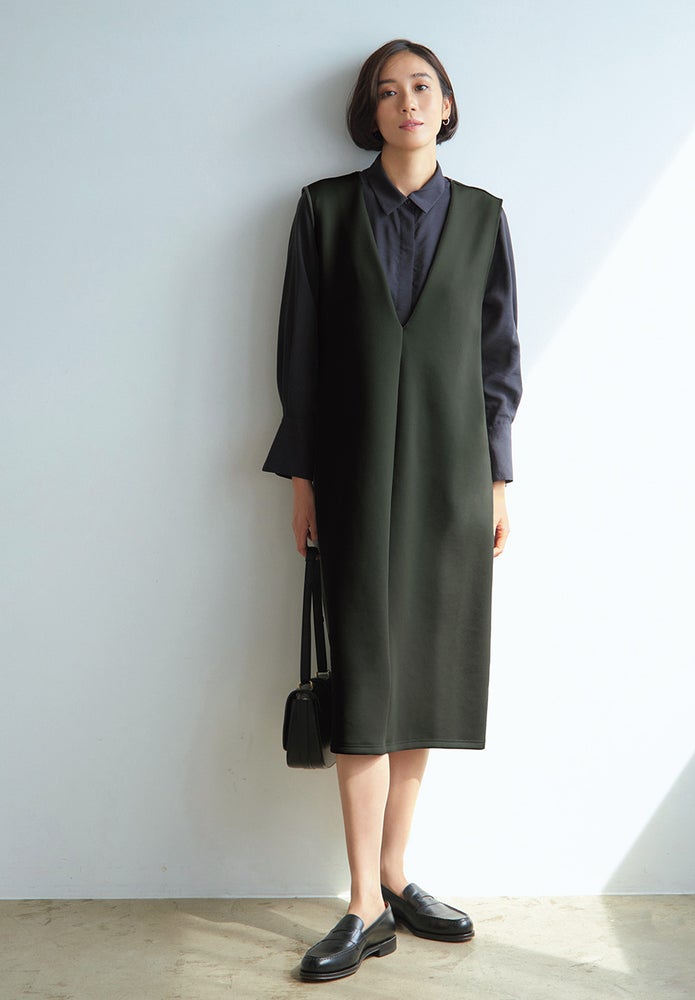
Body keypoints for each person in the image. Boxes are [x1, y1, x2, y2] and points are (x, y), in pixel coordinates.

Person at [262, 38, 522, 982]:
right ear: (368, 112)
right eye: (387, 90)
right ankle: (362, 904)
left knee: (425, 678)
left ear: (445, 104)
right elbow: (300, 352)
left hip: (453, 479)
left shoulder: (484, 216)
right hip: (354, 471)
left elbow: (499, 358)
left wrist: (498, 479)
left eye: (422, 86)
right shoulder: (324, 210)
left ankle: (395, 875)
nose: (406, 101)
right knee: (368, 679)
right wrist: (303, 477)